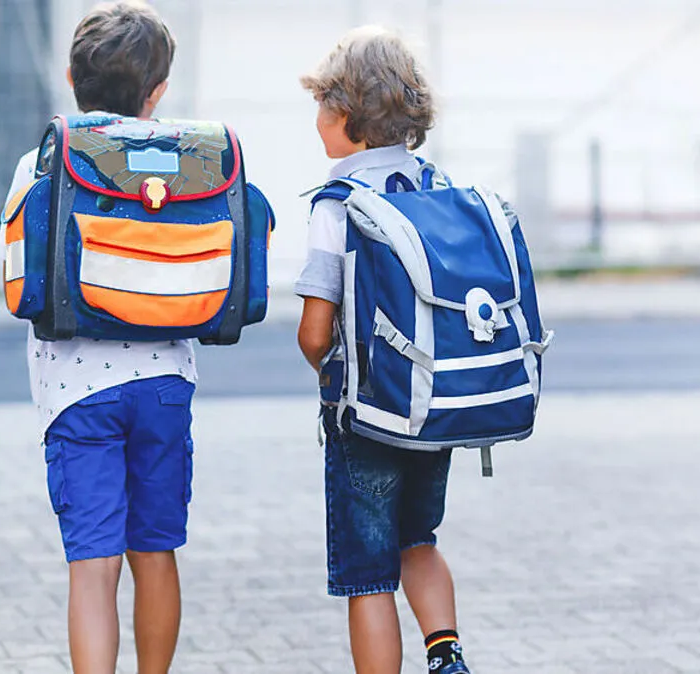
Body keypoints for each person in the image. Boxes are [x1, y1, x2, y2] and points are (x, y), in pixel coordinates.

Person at [0, 3, 194, 672]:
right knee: (156, 551)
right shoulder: (184, 162)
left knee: (93, 565)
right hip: (165, 383)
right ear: (157, 92)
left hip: (76, 393)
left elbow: (17, 281)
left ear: (70, 77)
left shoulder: (42, 163)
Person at [295, 26, 472, 674]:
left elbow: (316, 330)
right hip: (433, 407)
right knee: (419, 540)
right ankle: (446, 653)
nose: (316, 121)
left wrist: (336, 377)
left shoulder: (338, 201)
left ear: (345, 115)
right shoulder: (437, 186)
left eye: (320, 107)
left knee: (368, 574)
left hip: (367, 416)